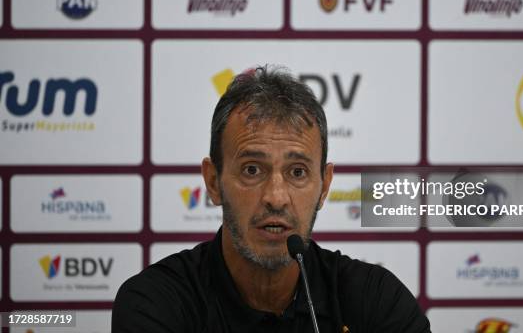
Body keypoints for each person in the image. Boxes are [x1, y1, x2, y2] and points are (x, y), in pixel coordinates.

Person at [112, 65, 431, 332]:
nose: (276, 198)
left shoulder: (376, 301)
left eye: (297, 172)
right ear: (213, 182)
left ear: (324, 186)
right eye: (252, 170)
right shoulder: (158, 303)